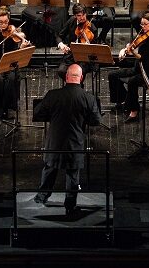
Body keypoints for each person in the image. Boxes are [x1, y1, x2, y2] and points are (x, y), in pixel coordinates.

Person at [32, 64, 103, 215]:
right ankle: (70, 205)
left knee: (49, 168)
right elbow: (96, 121)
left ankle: (42, 196)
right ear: (81, 78)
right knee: (72, 174)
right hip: (75, 142)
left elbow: (37, 114)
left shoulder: (53, 95)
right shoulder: (88, 98)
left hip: (55, 140)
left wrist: (52, 117)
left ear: (66, 77)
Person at [109, 13, 149, 121]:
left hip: (148, 72)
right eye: (141, 24)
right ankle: (123, 100)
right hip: (138, 68)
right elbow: (134, 45)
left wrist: (133, 52)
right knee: (112, 75)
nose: (142, 26)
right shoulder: (142, 35)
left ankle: (134, 110)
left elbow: (142, 58)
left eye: (145, 24)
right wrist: (126, 50)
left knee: (132, 82)